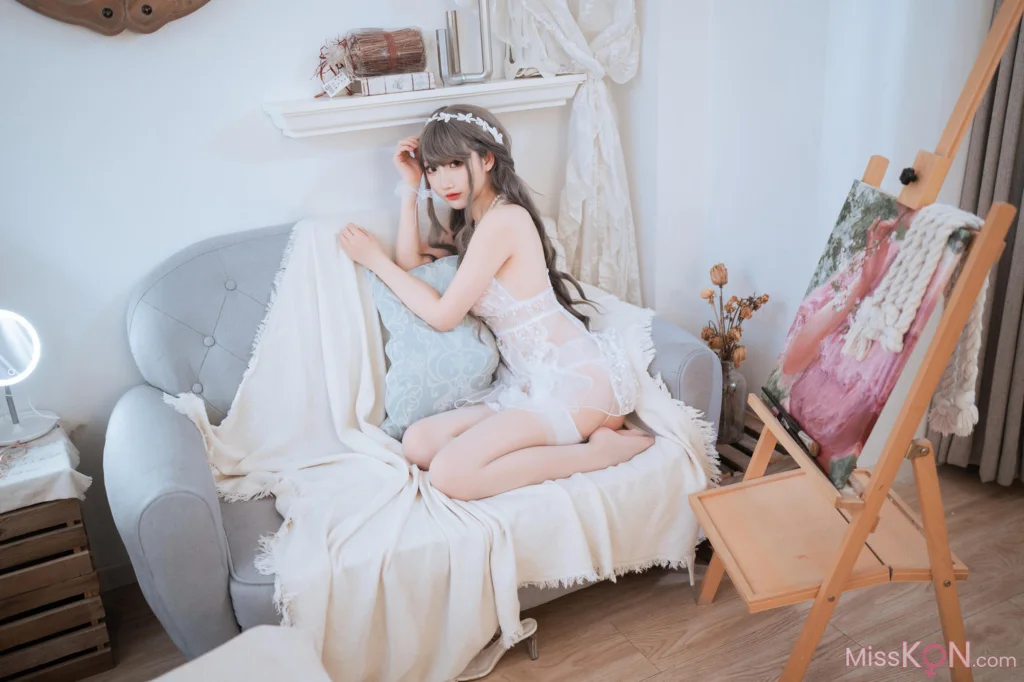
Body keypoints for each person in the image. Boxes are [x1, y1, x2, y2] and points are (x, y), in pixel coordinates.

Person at [338, 104, 653, 502]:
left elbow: (442, 315)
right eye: (434, 169)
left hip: (574, 385)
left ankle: (597, 453)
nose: (444, 180)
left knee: (451, 474)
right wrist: (410, 187)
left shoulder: (505, 220)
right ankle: (552, 446)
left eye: (455, 163)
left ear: (487, 159)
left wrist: (373, 260)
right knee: (418, 442)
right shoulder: (475, 223)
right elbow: (414, 269)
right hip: (527, 382)